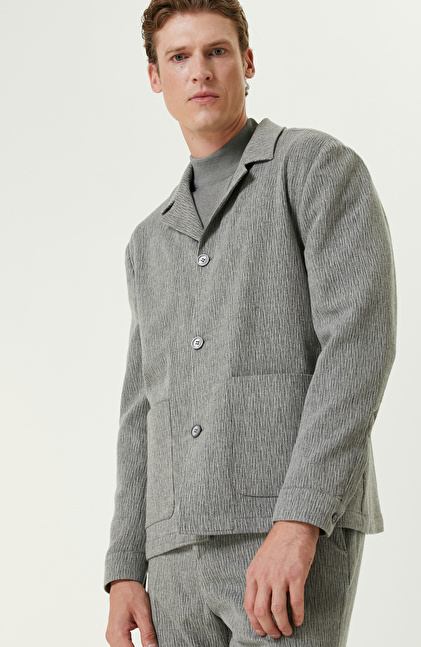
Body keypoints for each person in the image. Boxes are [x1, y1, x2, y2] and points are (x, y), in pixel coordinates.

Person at [104, 1, 397, 646]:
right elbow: (141, 407)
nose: (200, 71)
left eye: (217, 51)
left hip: (284, 533)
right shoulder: (149, 241)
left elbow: (358, 345)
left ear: (248, 61)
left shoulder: (316, 168)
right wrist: (125, 566)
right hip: (172, 555)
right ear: (155, 77)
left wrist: (300, 520)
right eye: (179, 57)